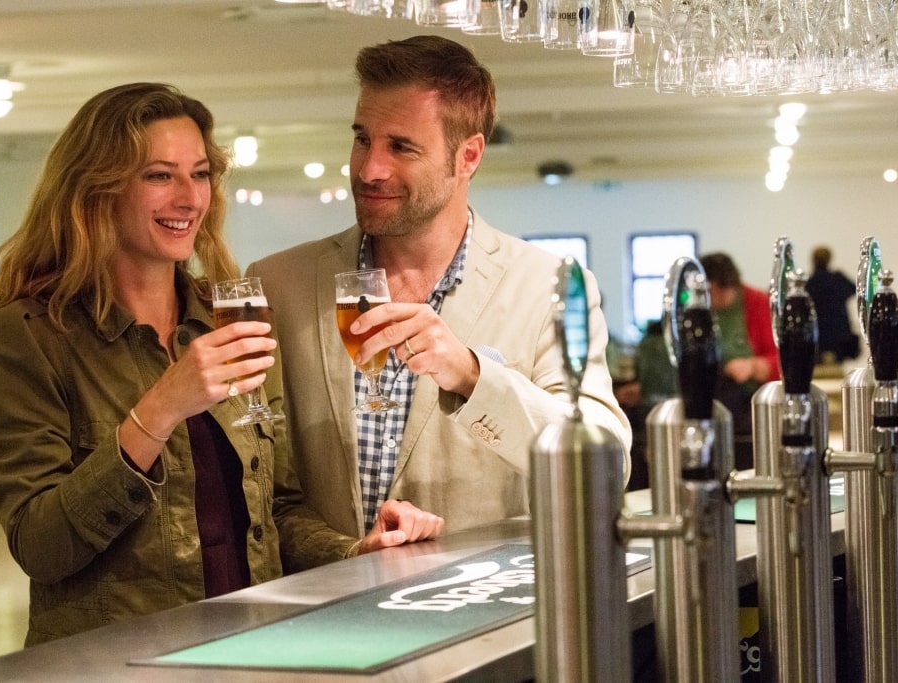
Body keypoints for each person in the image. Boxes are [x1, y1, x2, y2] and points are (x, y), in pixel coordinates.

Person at [0, 83, 442, 646]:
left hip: (250, 648)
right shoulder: (32, 334)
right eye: (158, 175)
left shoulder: (228, 318)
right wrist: (160, 409)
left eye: (199, 174)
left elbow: (279, 511)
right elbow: (40, 545)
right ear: (98, 189)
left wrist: (355, 550)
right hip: (118, 661)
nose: (189, 198)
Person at [247, 35, 632, 539]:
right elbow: (263, 488)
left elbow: (604, 464)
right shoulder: (279, 284)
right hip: (328, 610)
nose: (369, 169)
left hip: (486, 609)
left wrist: (475, 376)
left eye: (400, 146)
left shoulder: (548, 285)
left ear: (468, 156)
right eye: (363, 138)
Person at [699, 252, 780, 470]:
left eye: (715, 290)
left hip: (747, 403)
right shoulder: (699, 308)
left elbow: (779, 357)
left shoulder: (758, 302)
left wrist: (753, 366)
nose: (712, 297)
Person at [805, 246, 859, 364]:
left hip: (818, 335)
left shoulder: (810, 283)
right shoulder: (838, 279)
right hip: (840, 335)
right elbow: (854, 290)